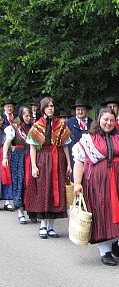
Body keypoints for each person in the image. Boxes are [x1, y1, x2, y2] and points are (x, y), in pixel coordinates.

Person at [72, 107, 119, 265]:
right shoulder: (88, 139)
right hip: (99, 183)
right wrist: (77, 183)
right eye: (105, 120)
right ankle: (105, 251)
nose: (108, 123)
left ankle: (114, 239)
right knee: (102, 213)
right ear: (98, 120)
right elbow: (79, 162)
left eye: (111, 120)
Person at [24, 97, 72, 238]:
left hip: (58, 160)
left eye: (52, 106)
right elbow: (33, 147)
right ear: (43, 108)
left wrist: (69, 163)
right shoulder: (37, 125)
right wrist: (33, 166)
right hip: (43, 160)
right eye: (48, 106)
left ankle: (51, 227)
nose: (51, 108)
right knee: (44, 191)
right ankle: (43, 225)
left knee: (55, 191)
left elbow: (65, 146)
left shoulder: (60, 125)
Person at [2, 107, 32, 219]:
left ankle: (31, 209)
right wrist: (5, 157)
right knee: (19, 182)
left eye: (29, 115)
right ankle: (20, 211)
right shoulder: (14, 128)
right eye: (26, 116)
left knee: (29, 183)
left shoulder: (32, 127)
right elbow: (6, 144)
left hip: (29, 156)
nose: (28, 118)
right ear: (21, 116)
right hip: (18, 158)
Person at [65, 99, 93, 168]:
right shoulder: (68, 124)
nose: (80, 112)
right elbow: (65, 144)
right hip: (73, 160)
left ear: (87, 110)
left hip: (90, 159)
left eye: (82, 109)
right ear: (75, 110)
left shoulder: (93, 124)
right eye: (78, 109)